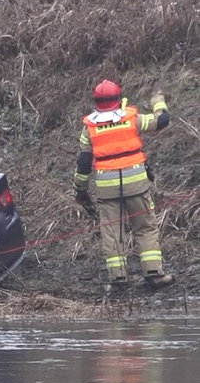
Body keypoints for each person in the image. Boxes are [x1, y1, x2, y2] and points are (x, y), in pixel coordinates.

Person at [73, 79, 175, 292]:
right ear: (118, 99)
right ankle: (154, 274)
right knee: (145, 227)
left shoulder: (89, 128)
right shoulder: (131, 119)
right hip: (136, 185)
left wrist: (80, 191)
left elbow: (83, 163)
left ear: (96, 102)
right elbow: (162, 120)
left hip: (107, 189)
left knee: (112, 232)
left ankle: (118, 279)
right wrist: (158, 101)